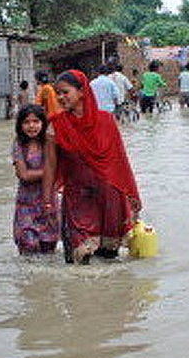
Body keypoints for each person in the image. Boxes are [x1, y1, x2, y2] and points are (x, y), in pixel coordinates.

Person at [44, 70, 141, 264]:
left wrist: (130, 198)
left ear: (82, 91)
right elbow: (50, 166)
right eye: (58, 93)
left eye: (65, 92)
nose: (61, 97)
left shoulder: (106, 121)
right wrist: (47, 201)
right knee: (79, 261)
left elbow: (120, 162)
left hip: (109, 198)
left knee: (110, 262)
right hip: (77, 199)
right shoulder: (55, 126)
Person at [12, 104, 58, 254]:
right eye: (26, 122)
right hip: (26, 203)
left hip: (49, 202)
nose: (31, 126)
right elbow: (23, 175)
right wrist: (50, 171)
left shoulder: (50, 142)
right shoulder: (19, 144)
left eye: (36, 121)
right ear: (20, 125)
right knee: (28, 244)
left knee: (48, 245)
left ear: (43, 123)